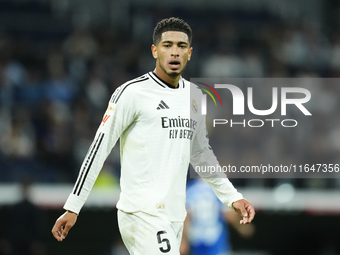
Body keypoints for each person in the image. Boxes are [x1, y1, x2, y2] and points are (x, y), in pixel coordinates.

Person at [51, 17, 255, 254]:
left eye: (181, 46)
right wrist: (73, 206)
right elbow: (99, 148)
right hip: (142, 212)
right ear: (154, 50)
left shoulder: (194, 95)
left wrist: (232, 197)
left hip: (175, 215)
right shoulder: (132, 92)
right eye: (167, 45)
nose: (174, 52)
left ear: (189, 53)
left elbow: (201, 154)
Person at [180, 179, 255, 255]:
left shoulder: (190, 188)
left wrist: (183, 240)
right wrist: (242, 227)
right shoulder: (219, 187)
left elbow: (186, 216)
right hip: (215, 236)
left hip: (196, 237)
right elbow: (228, 214)